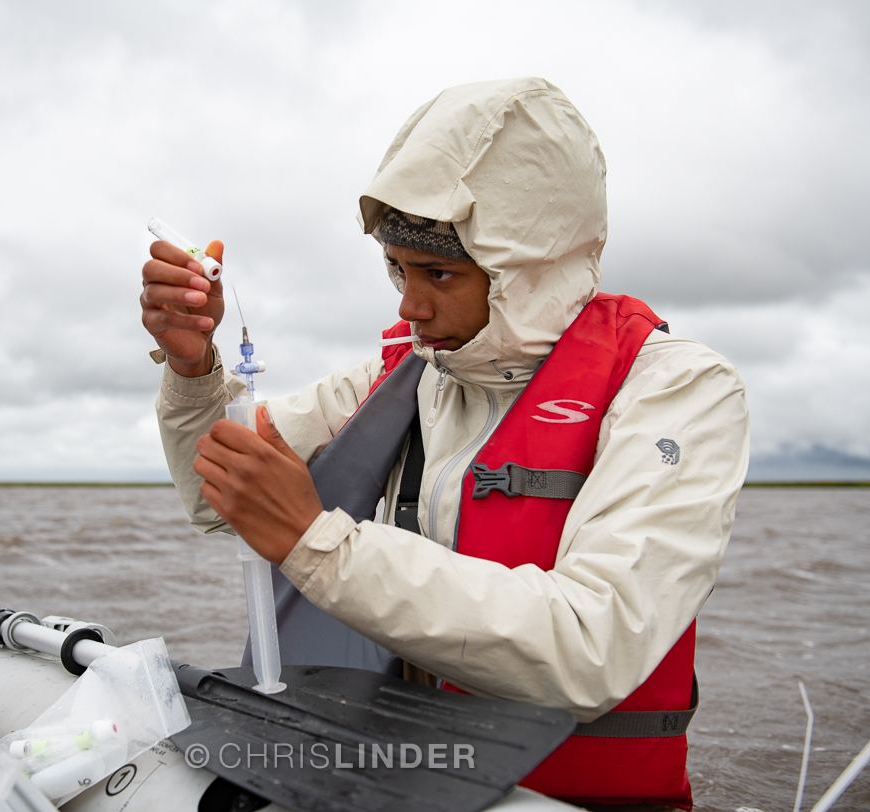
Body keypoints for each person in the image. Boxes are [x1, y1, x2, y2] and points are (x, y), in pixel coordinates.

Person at [141, 78, 749, 810]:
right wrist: (191, 368)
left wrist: (316, 543)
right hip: (416, 775)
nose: (408, 303)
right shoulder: (397, 375)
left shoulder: (678, 389)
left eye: (438, 272)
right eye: (396, 267)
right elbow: (218, 496)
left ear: (528, 273)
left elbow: (597, 644)